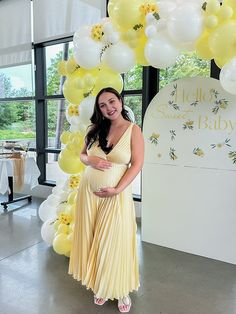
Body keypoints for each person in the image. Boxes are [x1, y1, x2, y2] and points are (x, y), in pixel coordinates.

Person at [68, 87, 144, 313]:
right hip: (88, 196)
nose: (109, 108)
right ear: (99, 109)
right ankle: (101, 285)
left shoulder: (133, 130)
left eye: (112, 102)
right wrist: (89, 160)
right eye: (103, 105)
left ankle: (121, 290)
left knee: (115, 240)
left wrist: (118, 189)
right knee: (94, 240)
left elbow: (137, 164)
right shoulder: (94, 129)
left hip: (116, 197)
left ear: (120, 102)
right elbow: (82, 155)